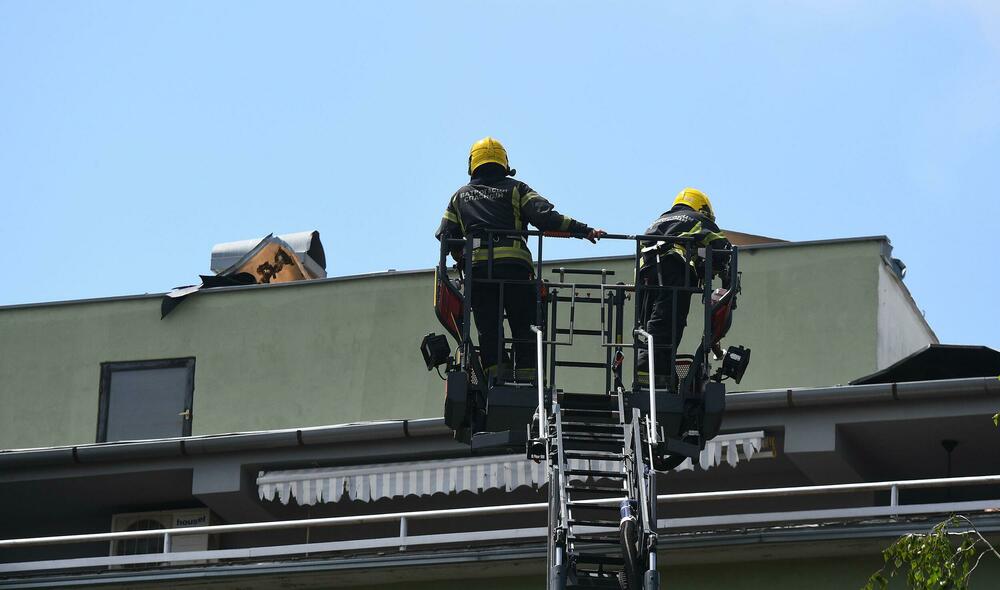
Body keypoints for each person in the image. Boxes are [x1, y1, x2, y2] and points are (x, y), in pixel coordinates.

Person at [435, 136, 605, 380]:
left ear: (472, 164)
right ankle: (526, 378)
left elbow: (445, 235)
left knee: (489, 329)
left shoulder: (459, 197)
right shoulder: (517, 189)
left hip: (479, 272)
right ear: (504, 162)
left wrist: (461, 256)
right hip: (515, 268)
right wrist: (583, 230)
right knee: (525, 323)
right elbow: (546, 218)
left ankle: (496, 377)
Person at [636, 187, 731, 388]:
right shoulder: (696, 218)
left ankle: (647, 370)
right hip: (672, 270)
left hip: (646, 274)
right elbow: (722, 246)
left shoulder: (658, 220)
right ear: (702, 208)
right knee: (669, 320)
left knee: (647, 323)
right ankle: (657, 373)